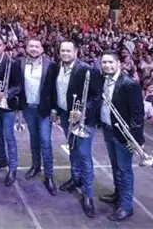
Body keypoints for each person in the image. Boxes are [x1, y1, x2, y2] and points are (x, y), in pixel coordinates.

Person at [53, 40, 102, 218]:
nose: (65, 53)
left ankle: (88, 195)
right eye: (62, 50)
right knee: (73, 149)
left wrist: (82, 112)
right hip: (66, 115)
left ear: (76, 52)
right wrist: (56, 110)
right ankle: (75, 179)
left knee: (84, 155)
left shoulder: (87, 69)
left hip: (83, 118)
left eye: (68, 50)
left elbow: (97, 96)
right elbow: (57, 91)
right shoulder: (58, 67)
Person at [99, 50, 144, 222]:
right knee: (115, 166)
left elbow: (138, 115)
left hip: (123, 134)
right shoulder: (104, 80)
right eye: (104, 62)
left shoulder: (129, 84)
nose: (107, 65)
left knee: (124, 169)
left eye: (110, 62)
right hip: (108, 128)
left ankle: (126, 206)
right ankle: (118, 195)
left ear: (119, 64)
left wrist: (134, 139)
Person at [19, 38, 58, 195]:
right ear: (26, 48)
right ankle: (35, 166)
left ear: (42, 49)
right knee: (34, 139)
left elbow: (55, 88)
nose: (34, 49)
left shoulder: (51, 65)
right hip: (28, 108)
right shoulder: (21, 63)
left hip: (44, 110)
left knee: (45, 141)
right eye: (31, 46)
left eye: (37, 46)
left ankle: (49, 176)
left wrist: (54, 109)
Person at [0, 35, 22, 186]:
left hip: (7, 105)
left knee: (9, 136)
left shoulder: (12, 63)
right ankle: (2, 159)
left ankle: (13, 169)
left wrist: (5, 94)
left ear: (4, 46)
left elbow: (18, 85)